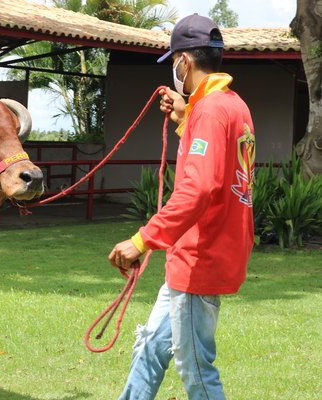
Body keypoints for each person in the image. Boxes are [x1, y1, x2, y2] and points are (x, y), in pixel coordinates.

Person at [108, 14, 256, 400]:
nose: (174, 68)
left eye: (174, 60)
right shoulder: (233, 105)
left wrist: (143, 240)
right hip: (201, 257)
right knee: (150, 350)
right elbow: (218, 164)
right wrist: (184, 116)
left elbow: (198, 189)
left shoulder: (208, 111)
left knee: (196, 370)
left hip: (199, 260)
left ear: (184, 62)